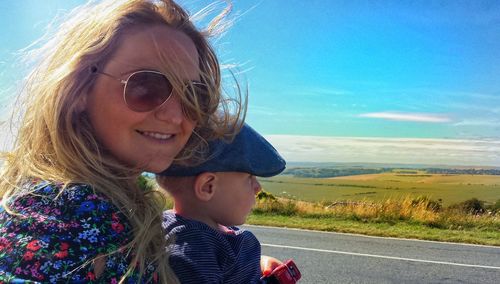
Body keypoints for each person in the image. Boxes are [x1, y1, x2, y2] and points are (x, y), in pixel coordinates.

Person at [0, 0, 244, 282]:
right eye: (146, 85)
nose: (176, 115)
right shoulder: (61, 216)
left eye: (194, 95)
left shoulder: (114, 202)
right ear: (80, 89)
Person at [157, 123, 291, 283]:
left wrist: (258, 264)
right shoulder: (193, 253)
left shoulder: (204, 234)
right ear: (208, 186)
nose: (258, 188)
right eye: (249, 178)